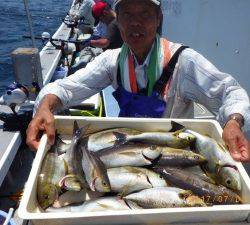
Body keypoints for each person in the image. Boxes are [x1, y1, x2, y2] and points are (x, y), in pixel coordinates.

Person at [26, 0, 250, 162]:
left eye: (145, 14)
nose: (135, 23)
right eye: (127, 15)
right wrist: (46, 105)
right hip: (128, 152)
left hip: (177, 156)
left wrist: (233, 122)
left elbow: (231, 92)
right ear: (118, 19)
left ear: (158, 19)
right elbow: (67, 87)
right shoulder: (112, 61)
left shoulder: (184, 61)